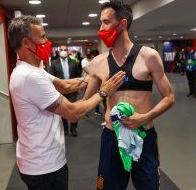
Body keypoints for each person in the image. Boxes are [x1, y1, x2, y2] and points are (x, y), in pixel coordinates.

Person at [8, 15, 125, 190]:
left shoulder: (34, 70)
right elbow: (73, 112)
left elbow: (65, 85)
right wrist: (104, 91)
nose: (47, 42)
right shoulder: (29, 76)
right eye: (42, 37)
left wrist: (93, 75)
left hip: (40, 160)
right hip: (44, 167)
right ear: (27, 43)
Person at [83, 1, 175, 190]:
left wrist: (145, 117)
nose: (100, 28)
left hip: (144, 136)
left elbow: (169, 97)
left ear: (122, 24)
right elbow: (85, 103)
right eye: (100, 23)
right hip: (112, 138)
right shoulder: (98, 63)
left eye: (106, 22)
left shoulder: (148, 56)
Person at [49, 45, 81, 136]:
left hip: (72, 90)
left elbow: (78, 76)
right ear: (59, 52)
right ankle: (65, 128)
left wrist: (78, 87)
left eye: (65, 50)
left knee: (74, 109)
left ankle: (73, 128)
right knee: (63, 110)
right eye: (61, 50)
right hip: (60, 91)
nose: (63, 51)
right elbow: (52, 78)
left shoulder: (74, 62)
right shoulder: (54, 63)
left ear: (68, 51)